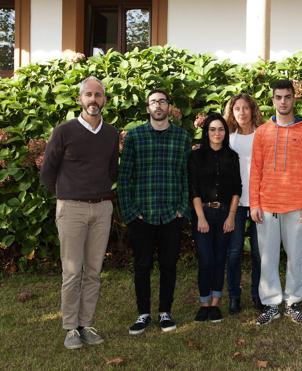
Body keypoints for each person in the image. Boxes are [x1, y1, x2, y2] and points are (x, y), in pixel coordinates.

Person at [40, 76, 119, 349]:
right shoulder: (63, 131)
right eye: (89, 95)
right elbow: (48, 172)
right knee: (72, 271)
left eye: (98, 95)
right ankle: (70, 327)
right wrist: (66, 195)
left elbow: (111, 170)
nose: (93, 100)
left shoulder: (110, 133)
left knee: (94, 271)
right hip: (71, 208)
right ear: (80, 99)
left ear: (104, 100)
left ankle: (86, 323)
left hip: (102, 208)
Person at [119, 89, 191, 335]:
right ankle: (143, 313)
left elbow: (186, 176)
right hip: (143, 215)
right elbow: (124, 177)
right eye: (153, 102)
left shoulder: (182, 137)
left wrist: (183, 209)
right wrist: (131, 213)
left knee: (169, 264)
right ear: (147, 107)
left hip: (172, 214)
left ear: (169, 106)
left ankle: (165, 312)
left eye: (162, 101)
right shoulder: (135, 137)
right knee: (142, 265)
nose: (158, 105)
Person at [250, 79, 302, 325]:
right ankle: (270, 303)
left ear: (293, 98)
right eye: (278, 97)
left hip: (297, 206)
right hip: (267, 206)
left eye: (287, 96)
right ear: (272, 100)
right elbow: (255, 170)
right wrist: (254, 203)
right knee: (268, 257)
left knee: (296, 256)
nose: (283, 101)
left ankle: (292, 302)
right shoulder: (262, 132)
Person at [188, 114, 241, 322]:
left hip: (225, 214)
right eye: (212, 129)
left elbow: (237, 189)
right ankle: (204, 303)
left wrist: (231, 217)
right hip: (204, 213)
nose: (217, 133)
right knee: (206, 258)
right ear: (206, 132)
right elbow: (193, 189)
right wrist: (201, 217)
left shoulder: (232, 156)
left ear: (225, 133)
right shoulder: (196, 156)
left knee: (220, 258)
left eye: (220, 129)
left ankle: (215, 304)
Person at [225, 93, 264, 314]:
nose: (241, 112)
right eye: (236, 108)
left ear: (252, 110)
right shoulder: (229, 138)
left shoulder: (262, 135)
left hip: (259, 202)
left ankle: (258, 295)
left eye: (245, 108)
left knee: (259, 252)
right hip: (236, 203)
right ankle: (234, 295)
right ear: (232, 112)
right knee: (234, 250)